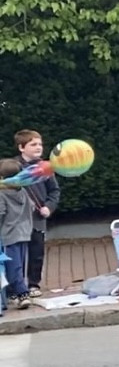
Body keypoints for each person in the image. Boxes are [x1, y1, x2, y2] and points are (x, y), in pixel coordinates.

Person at [15, 130, 59, 297]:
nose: (38, 147)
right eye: (33, 144)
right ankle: (16, 288)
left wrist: (49, 206)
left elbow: (54, 191)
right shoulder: (13, 166)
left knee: (36, 252)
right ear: (21, 147)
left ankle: (34, 284)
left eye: (40, 144)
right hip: (17, 219)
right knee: (17, 254)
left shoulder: (45, 167)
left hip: (38, 218)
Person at [0, 158, 35, 311]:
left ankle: (22, 294)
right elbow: (32, 207)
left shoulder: (2, 194)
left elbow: (1, 213)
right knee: (19, 263)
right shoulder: (23, 191)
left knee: (12, 266)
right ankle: (13, 293)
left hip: (8, 235)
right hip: (24, 232)